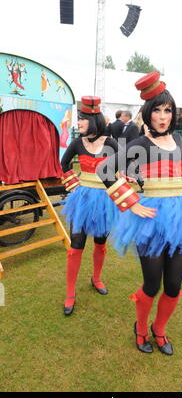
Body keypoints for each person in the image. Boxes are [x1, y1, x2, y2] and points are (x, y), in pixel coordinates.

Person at [97, 71, 182, 355]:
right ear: (148, 113)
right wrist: (131, 202)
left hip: (181, 219)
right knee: (152, 283)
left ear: (173, 113)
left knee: (173, 285)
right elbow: (104, 169)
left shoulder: (181, 142)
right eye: (156, 110)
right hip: (151, 220)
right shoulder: (141, 144)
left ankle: (160, 330)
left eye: (167, 110)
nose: (162, 116)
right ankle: (141, 328)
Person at [60, 96, 119, 316]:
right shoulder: (77, 143)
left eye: (82, 119)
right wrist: (74, 185)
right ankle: (70, 292)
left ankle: (96, 278)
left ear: (93, 120)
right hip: (82, 199)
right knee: (76, 245)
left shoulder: (112, 143)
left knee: (101, 243)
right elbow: (64, 164)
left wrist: (123, 177)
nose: (78, 123)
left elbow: (125, 164)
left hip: (105, 200)